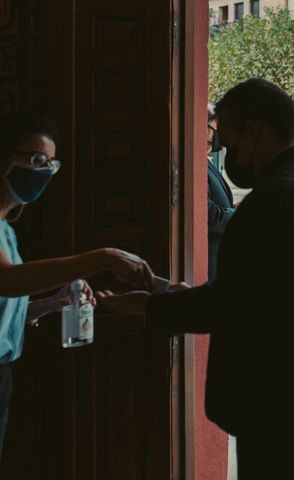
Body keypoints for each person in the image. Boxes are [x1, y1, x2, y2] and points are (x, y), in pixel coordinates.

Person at [100, 79, 294, 480]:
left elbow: (230, 305)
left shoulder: (273, 198)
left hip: (278, 402)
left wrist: (150, 304)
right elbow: (274, 293)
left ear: (254, 131)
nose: (225, 155)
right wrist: (169, 290)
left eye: (227, 142)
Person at [0, 112, 155, 458]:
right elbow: (6, 280)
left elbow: (8, 303)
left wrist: (51, 303)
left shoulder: (7, 230)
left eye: (51, 164)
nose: (44, 171)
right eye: (37, 159)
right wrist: (102, 257)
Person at [206, 104, 235, 281]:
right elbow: (211, 216)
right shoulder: (194, 163)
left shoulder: (205, 161)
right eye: (214, 128)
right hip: (209, 260)